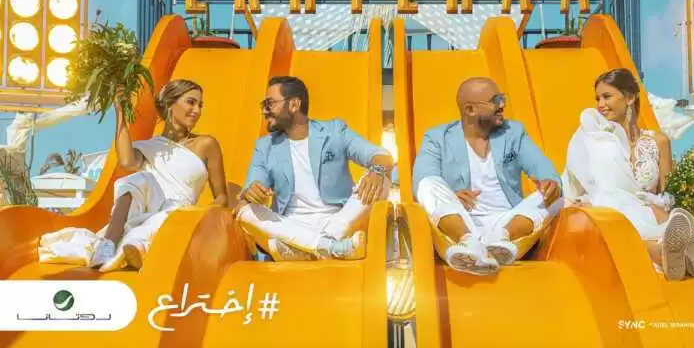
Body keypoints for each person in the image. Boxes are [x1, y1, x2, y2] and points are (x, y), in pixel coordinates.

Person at [40, 79, 229, 271]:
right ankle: (108, 245)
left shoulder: (206, 144)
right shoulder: (151, 147)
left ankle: (136, 247)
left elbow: (221, 197)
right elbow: (126, 162)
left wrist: (201, 215)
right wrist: (120, 111)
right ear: (170, 103)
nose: (197, 110)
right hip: (144, 211)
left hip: (178, 216)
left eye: (200, 105)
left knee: (167, 211)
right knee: (135, 180)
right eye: (191, 102)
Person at [563, 68, 694, 281]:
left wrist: (658, 205)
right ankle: (661, 252)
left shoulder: (658, 142)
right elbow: (577, 181)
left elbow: (668, 194)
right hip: (608, 216)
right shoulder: (592, 140)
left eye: (607, 96)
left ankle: (670, 250)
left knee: (656, 216)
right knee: (608, 199)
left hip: (647, 215)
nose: (600, 104)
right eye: (598, 98)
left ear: (629, 98)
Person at [412, 77, 563, 276]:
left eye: (502, 98)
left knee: (559, 192)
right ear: (470, 110)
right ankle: (468, 241)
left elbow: (541, 166)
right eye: (495, 100)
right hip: (460, 220)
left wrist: (549, 181)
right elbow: (422, 179)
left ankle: (499, 241)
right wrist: (452, 197)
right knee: (428, 185)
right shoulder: (437, 138)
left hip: (508, 222)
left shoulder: (513, 133)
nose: (502, 105)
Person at [235, 76, 394, 261]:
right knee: (244, 211)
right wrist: (254, 193)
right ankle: (330, 247)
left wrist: (377, 171)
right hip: (290, 226)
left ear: (294, 105)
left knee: (382, 179)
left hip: (339, 220)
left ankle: (309, 248)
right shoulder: (265, 146)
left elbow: (382, 156)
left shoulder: (334, 131)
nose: (264, 111)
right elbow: (250, 192)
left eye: (270, 104)